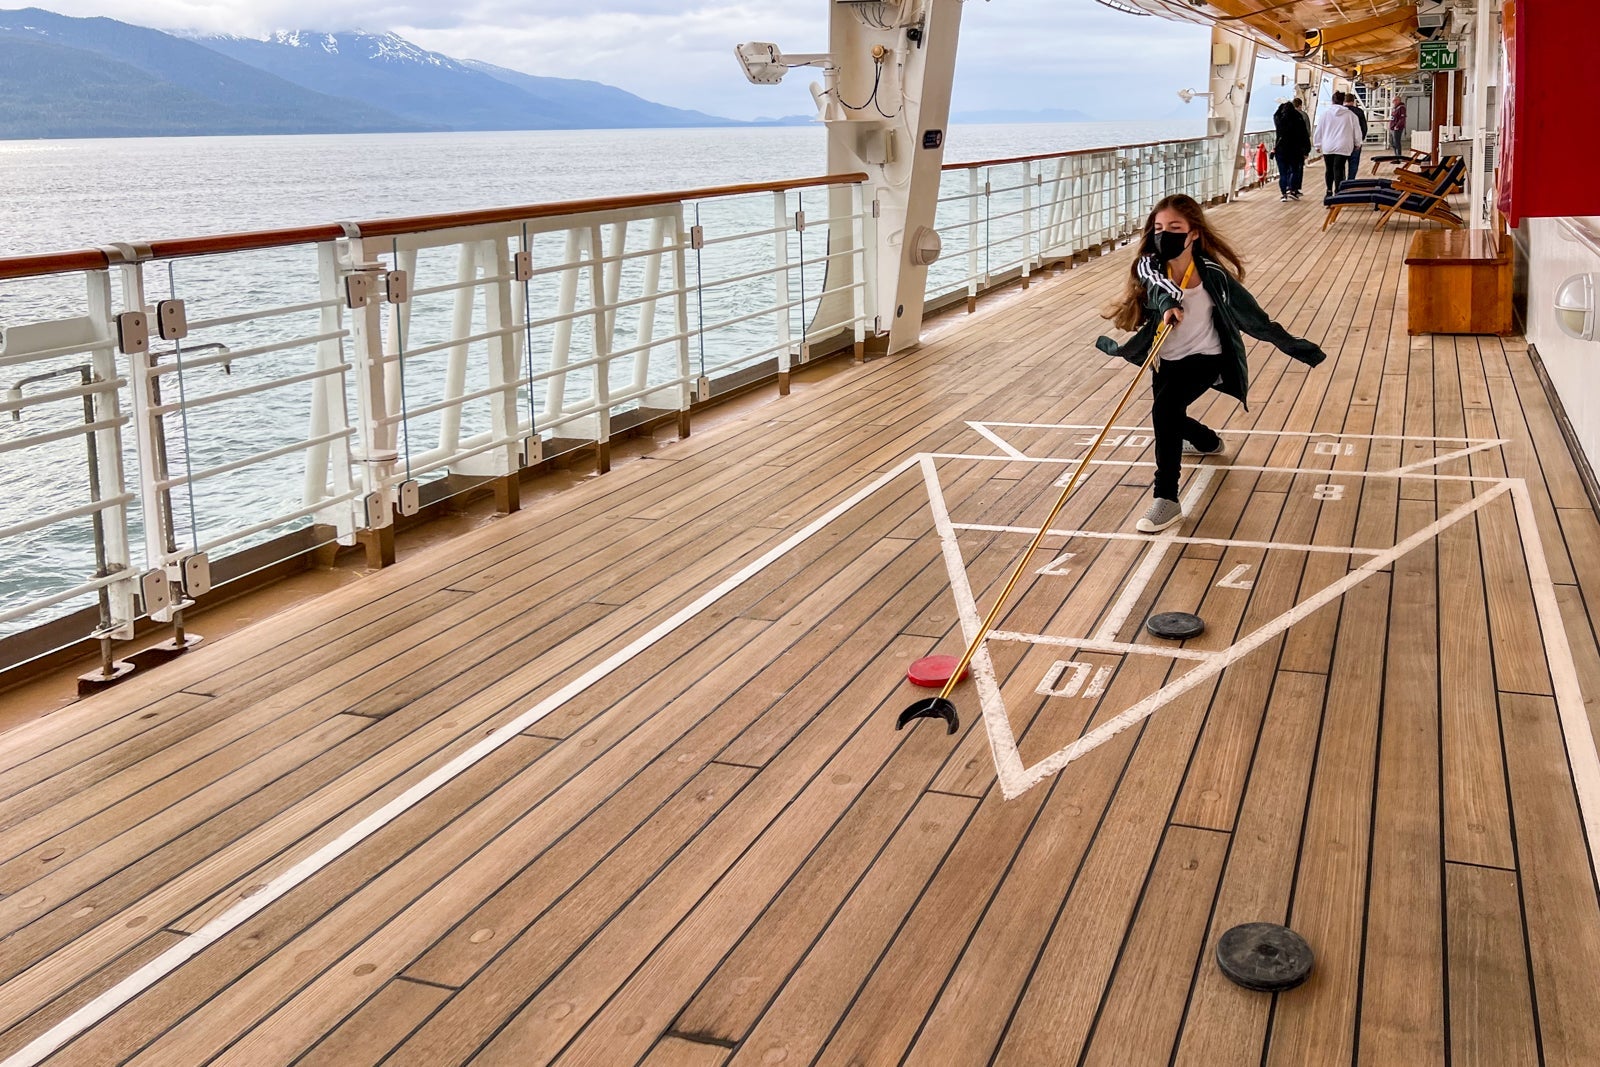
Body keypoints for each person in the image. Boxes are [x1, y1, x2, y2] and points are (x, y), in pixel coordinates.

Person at [1096, 195, 1327, 533]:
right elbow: (1158, 287)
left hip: (1207, 357)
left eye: (1175, 228)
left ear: (1193, 234)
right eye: (1159, 228)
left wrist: (1297, 347)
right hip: (1166, 360)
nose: (1164, 235)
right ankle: (1207, 442)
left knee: (1165, 412)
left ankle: (1167, 499)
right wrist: (1168, 305)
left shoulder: (1213, 276)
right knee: (1169, 413)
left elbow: (1254, 317)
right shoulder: (1149, 265)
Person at [1314, 91, 1362, 196]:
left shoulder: (1325, 114)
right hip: (1344, 145)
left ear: (1332, 101)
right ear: (1342, 101)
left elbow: (1319, 130)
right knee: (1339, 168)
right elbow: (1357, 131)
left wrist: (1317, 144)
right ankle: (1338, 191)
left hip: (1328, 145)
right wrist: (1358, 143)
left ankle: (1328, 191)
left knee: (1329, 169)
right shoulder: (1351, 115)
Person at [1272, 99, 1310, 202]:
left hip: (1281, 150)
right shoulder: (1298, 118)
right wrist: (1306, 150)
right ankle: (1293, 190)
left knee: (1283, 173)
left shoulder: (1279, 120)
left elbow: (1276, 114)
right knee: (1294, 170)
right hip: (1295, 150)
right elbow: (1304, 135)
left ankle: (1284, 193)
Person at [1344, 89, 1369, 176]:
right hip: (1355, 142)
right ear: (1353, 101)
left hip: (1343, 142)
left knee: (1340, 165)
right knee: (1354, 163)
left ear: (1344, 101)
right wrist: (1360, 141)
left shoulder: (1340, 111)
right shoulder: (1359, 112)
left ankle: (1341, 183)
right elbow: (1364, 128)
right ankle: (1351, 180)